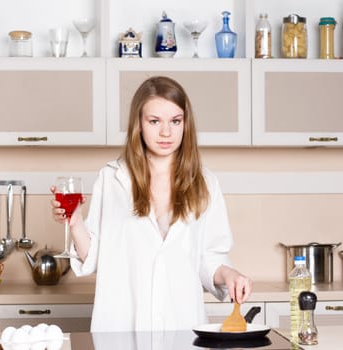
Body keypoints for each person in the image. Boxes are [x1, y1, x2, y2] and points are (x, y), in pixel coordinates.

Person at [51, 76, 252, 332]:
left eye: (175, 121)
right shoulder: (112, 178)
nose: (166, 132)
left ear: (185, 125)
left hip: (181, 323)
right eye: (154, 121)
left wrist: (230, 275)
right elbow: (95, 256)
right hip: (121, 325)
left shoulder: (205, 183)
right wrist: (76, 221)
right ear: (139, 124)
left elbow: (209, 257)